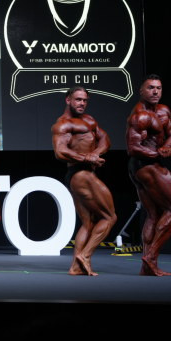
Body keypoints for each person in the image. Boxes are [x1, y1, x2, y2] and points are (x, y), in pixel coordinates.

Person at [51, 86, 117, 276]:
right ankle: (85, 255)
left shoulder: (89, 120)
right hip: (81, 174)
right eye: (78, 99)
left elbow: (105, 140)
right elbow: (60, 151)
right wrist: (86, 158)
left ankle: (75, 267)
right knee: (109, 217)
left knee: (88, 223)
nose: (82, 103)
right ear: (68, 100)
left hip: (84, 174)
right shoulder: (63, 124)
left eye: (85, 100)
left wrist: (95, 153)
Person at [126, 75, 171, 276]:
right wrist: (160, 153)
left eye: (158, 88)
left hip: (145, 165)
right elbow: (132, 147)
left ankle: (147, 267)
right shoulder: (139, 116)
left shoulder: (164, 110)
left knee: (153, 214)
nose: (155, 91)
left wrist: (166, 147)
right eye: (150, 88)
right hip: (146, 166)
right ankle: (150, 257)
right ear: (141, 91)